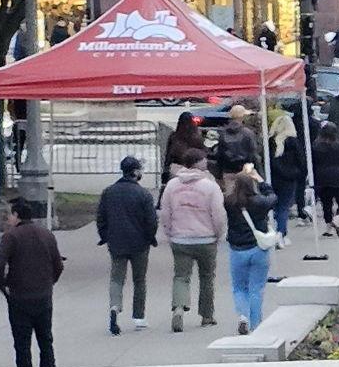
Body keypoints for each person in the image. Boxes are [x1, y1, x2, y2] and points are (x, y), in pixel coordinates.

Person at [0, 197, 64, 367]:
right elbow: (58, 265)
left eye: (10, 215)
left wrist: (3, 285)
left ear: (17, 215)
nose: (8, 219)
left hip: (19, 296)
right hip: (43, 296)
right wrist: (49, 283)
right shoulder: (46, 234)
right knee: (46, 341)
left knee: (22, 343)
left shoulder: (11, 236)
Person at [160, 143, 227, 331]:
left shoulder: (173, 185)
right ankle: (206, 315)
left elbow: (166, 212)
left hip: (180, 238)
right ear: (198, 163)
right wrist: (219, 233)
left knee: (181, 276)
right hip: (206, 238)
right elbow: (218, 214)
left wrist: (169, 231)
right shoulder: (210, 186)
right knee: (207, 277)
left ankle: (179, 308)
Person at [96, 153, 158, 334]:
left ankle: (115, 306)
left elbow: (101, 218)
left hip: (116, 242)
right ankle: (139, 317)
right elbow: (151, 220)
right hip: (139, 243)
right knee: (139, 280)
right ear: (136, 172)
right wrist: (150, 237)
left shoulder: (109, 192)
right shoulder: (143, 194)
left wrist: (105, 236)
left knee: (116, 278)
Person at [221, 163, 278, 336]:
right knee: (256, 287)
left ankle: (243, 315)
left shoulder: (229, 202)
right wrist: (260, 181)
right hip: (258, 248)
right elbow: (273, 197)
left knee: (239, 287)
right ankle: (255, 323)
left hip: (237, 249)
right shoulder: (260, 202)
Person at [311, 120, 339, 236]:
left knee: (326, 203)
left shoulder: (315, 147)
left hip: (321, 178)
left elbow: (312, 164)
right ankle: (337, 219)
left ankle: (328, 227)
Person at [162, 111, 205, 189]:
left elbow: (168, 155)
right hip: (194, 168)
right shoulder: (197, 137)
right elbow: (202, 152)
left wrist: (166, 169)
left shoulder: (174, 136)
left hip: (177, 169)